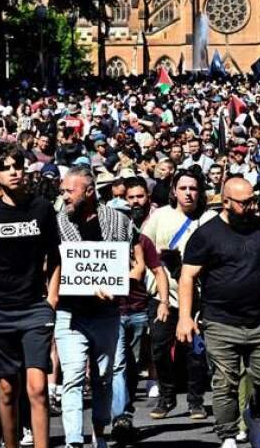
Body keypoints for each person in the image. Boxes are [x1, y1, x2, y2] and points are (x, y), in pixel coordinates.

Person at [177, 177, 260, 448]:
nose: (251, 206)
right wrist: (184, 317)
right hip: (220, 320)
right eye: (244, 203)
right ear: (226, 202)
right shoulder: (206, 234)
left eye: (253, 200)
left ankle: (256, 414)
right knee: (224, 383)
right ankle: (228, 435)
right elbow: (187, 277)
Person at [0, 144, 60, 448]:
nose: (14, 171)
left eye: (17, 165)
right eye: (6, 167)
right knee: (7, 388)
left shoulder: (42, 208)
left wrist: (53, 298)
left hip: (35, 307)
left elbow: (55, 256)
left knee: (37, 388)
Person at [55, 165, 132, 448]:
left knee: (103, 377)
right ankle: (74, 441)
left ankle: (100, 433)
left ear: (89, 191)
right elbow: (52, 266)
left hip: (106, 313)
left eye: (69, 191)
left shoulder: (119, 221)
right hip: (70, 313)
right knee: (73, 377)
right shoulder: (57, 223)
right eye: (62, 191)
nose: (64, 196)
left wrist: (120, 282)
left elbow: (129, 261)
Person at [139, 168, 215, 420]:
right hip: (164, 296)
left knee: (195, 351)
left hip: (200, 297)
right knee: (159, 347)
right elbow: (141, 247)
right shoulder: (160, 216)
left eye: (193, 188)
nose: (188, 193)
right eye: (183, 188)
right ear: (174, 190)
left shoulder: (209, 219)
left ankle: (196, 400)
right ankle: (167, 396)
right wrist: (159, 257)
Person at [111, 178, 170, 442]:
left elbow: (157, 270)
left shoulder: (142, 240)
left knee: (132, 365)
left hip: (136, 308)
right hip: (112, 310)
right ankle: (119, 417)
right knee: (117, 364)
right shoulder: (105, 240)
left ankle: (126, 411)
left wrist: (165, 302)